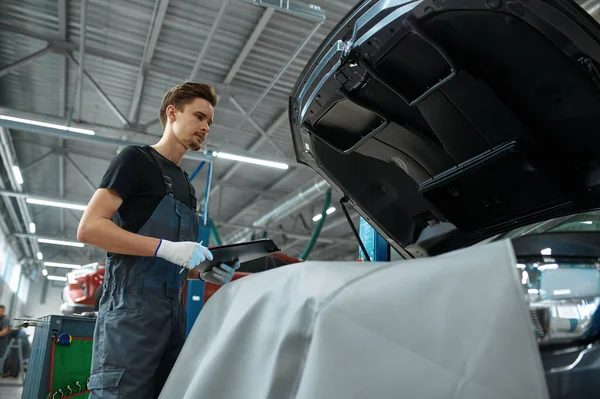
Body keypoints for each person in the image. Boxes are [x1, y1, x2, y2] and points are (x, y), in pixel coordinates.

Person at [77, 82, 240, 398]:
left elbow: (175, 257)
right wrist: (165, 248)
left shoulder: (185, 185)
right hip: (130, 309)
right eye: (198, 116)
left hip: (171, 314)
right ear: (172, 113)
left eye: (210, 121)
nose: (206, 127)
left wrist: (202, 270)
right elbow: (90, 228)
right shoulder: (135, 160)